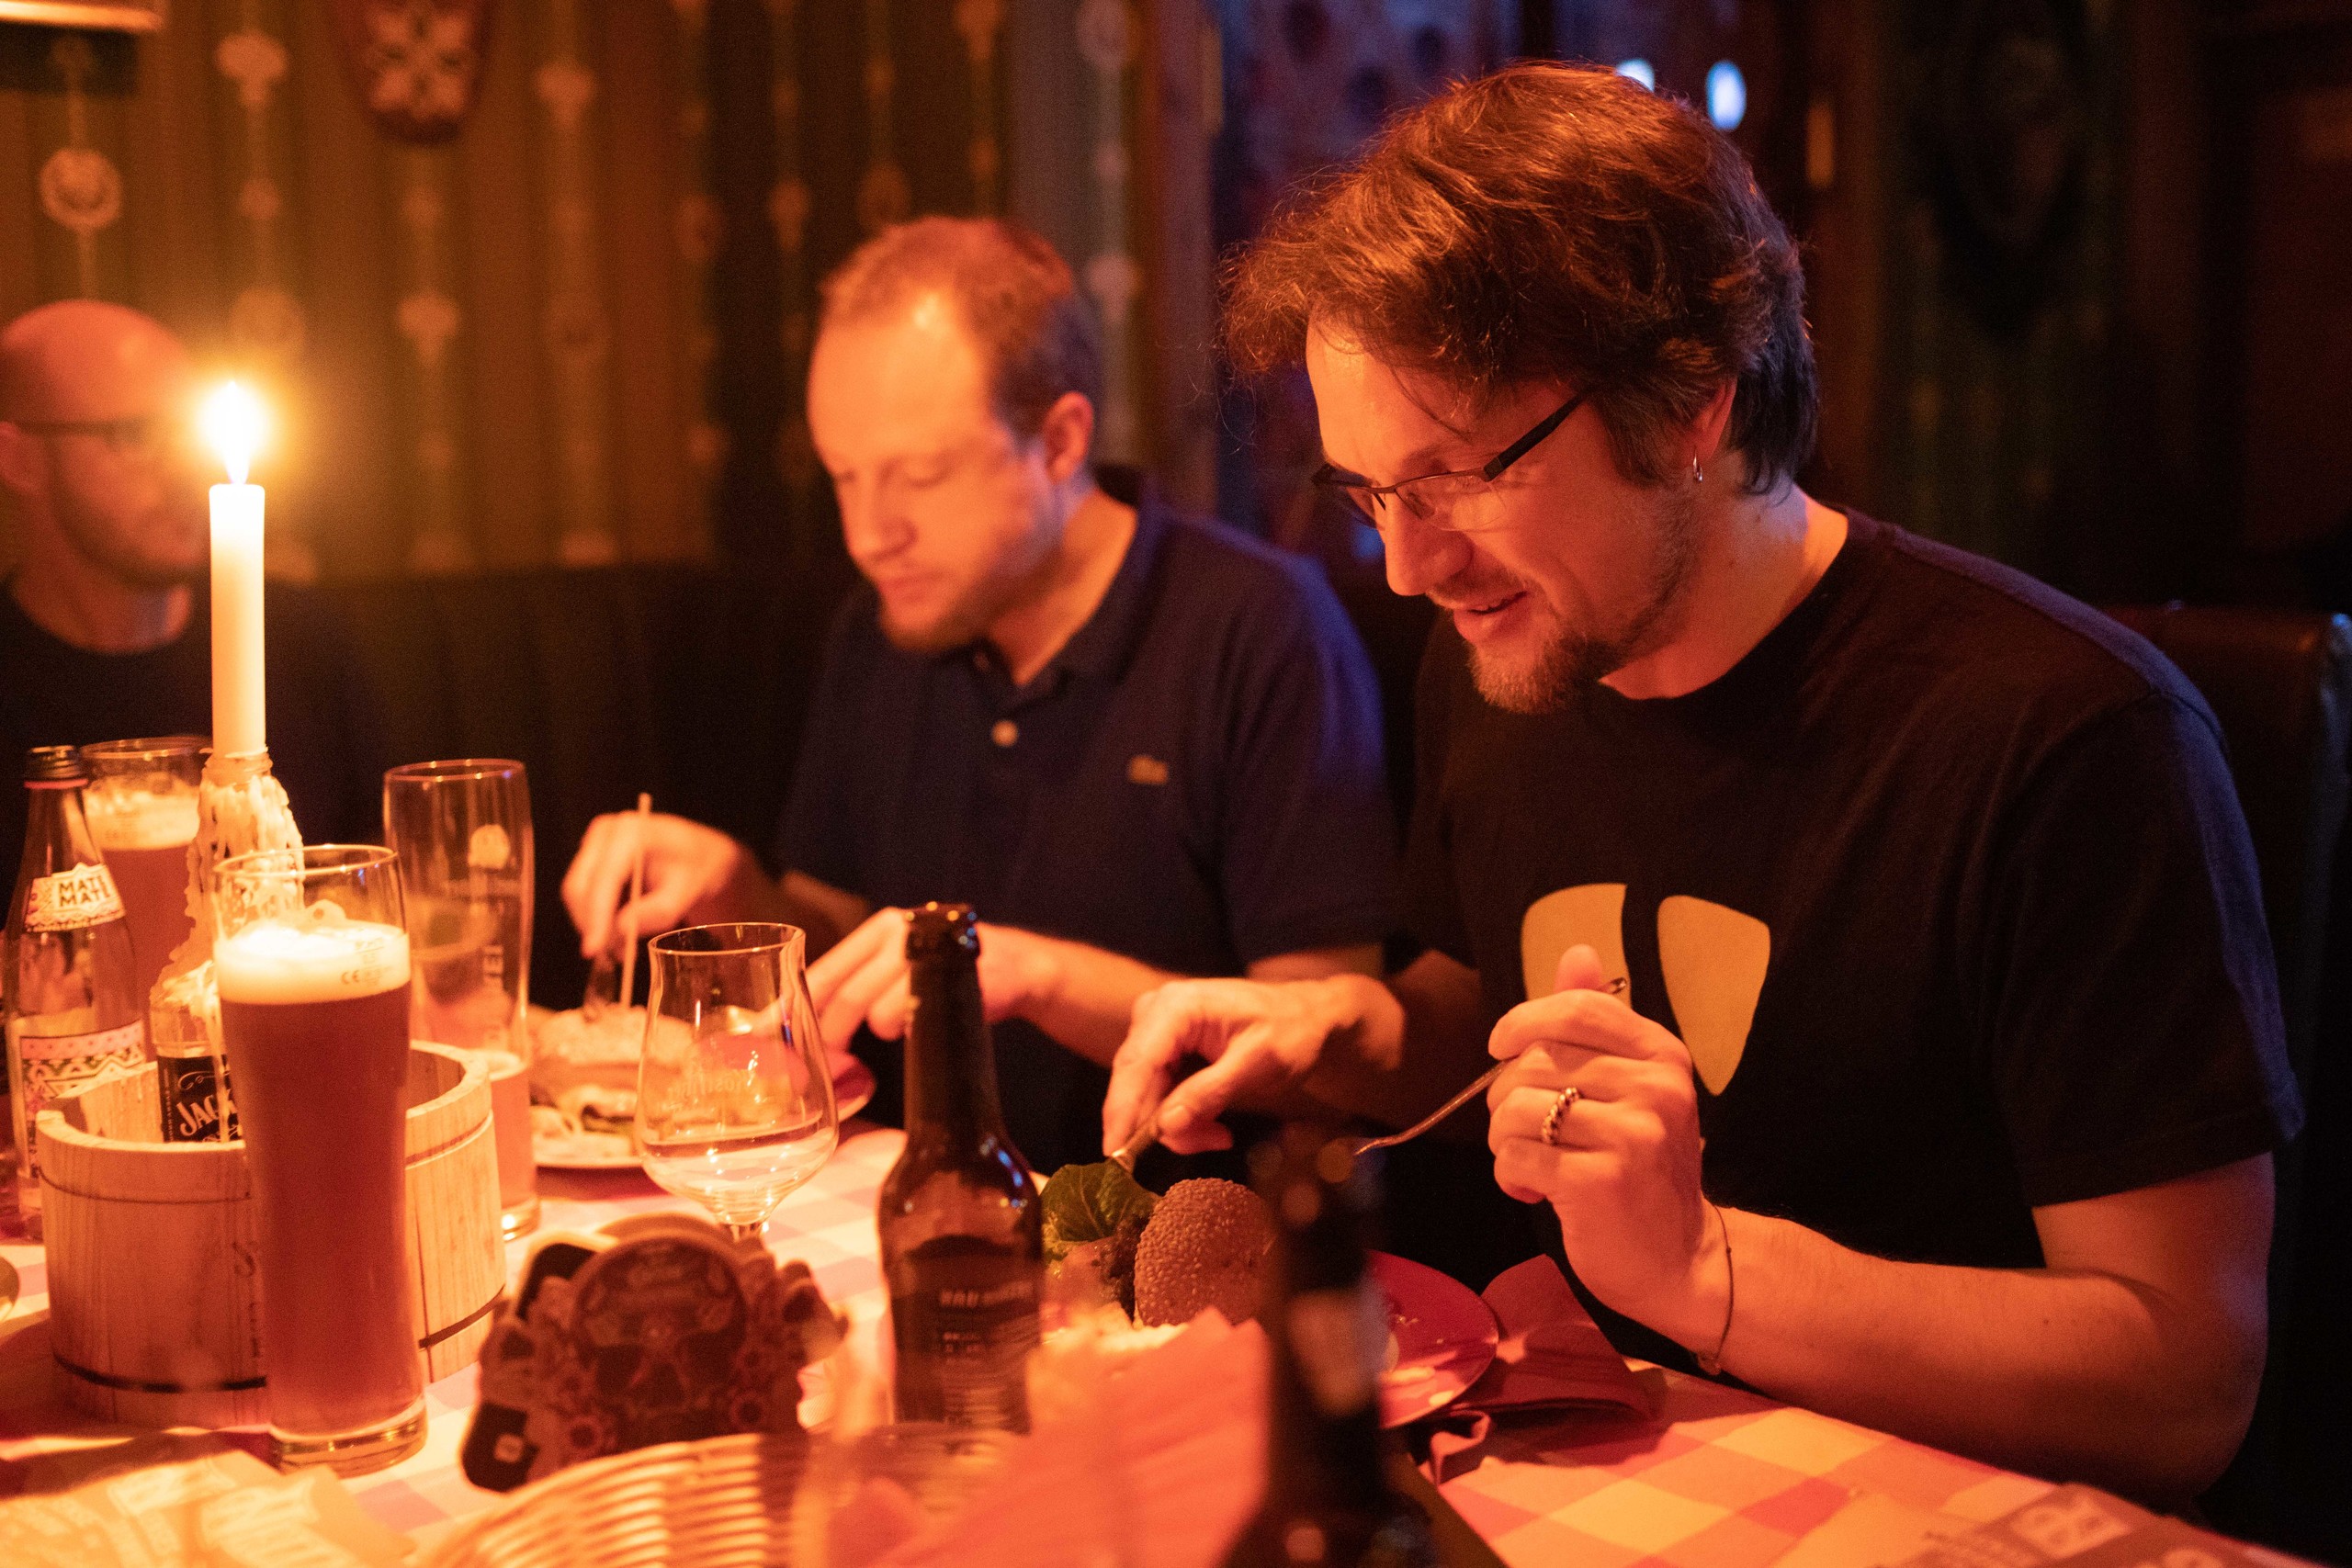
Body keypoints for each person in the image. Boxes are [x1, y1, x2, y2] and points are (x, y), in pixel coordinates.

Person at [1100, 62, 2301, 1505]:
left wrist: (1706, 1267)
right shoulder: (1506, 657)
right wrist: (1346, 1031)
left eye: (1455, 478)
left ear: (1687, 407)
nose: (1412, 567)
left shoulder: (2066, 740)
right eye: (1367, 495)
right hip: (1587, 1478)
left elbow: (2185, 1381)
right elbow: (1498, 1002)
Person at [561, 218, 1396, 1174]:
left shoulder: (1256, 627)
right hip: (923, 1201)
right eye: (844, 479)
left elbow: (1332, 1055)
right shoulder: (890, 624)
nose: (871, 535)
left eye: (919, 477)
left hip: (1187, 1239)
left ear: (1057, 442)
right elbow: (841, 944)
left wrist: (1037, 977)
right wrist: (733, 886)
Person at [0, 299, 382, 874]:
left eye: (188, 434)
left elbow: (373, 886)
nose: (186, 471)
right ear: (19, 457)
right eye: (135, 435)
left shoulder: (300, 639)